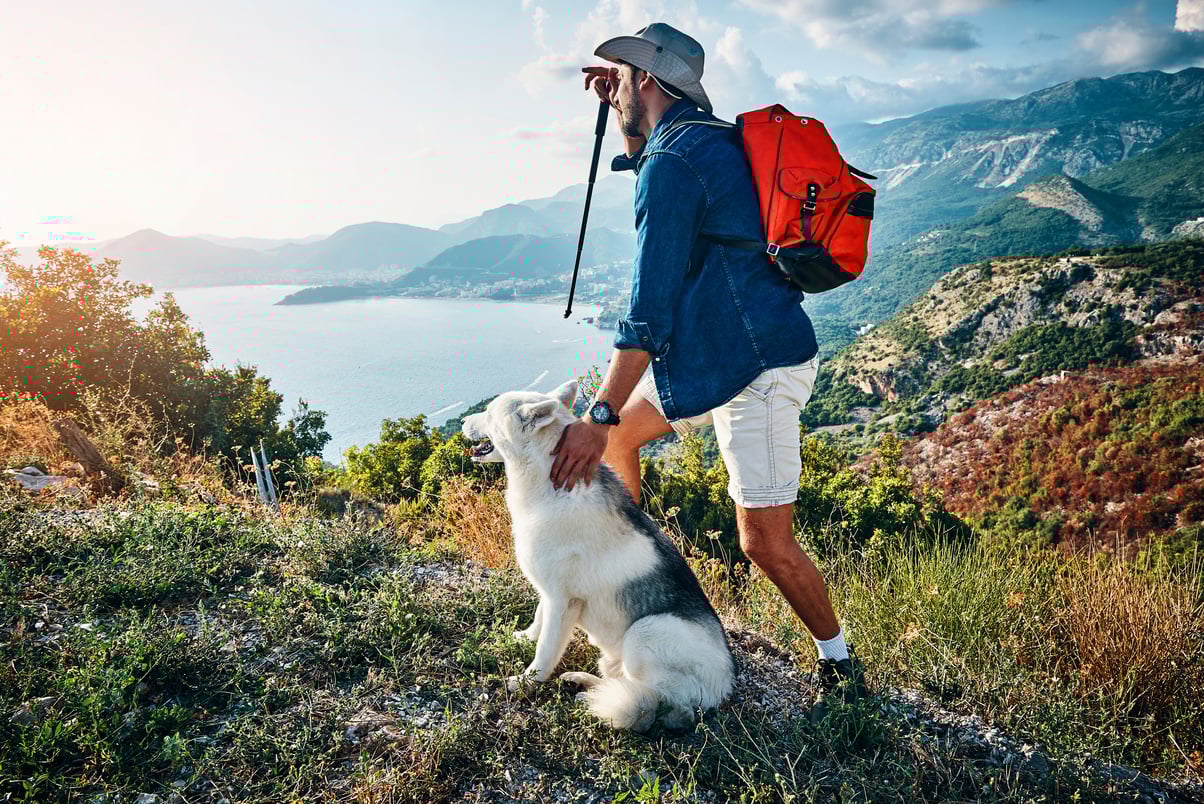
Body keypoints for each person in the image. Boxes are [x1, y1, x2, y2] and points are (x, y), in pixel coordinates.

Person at [549, 22, 867, 715]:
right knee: (629, 441)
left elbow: (649, 308)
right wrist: (623, 121)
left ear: (650, 81)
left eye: (625, 79)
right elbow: (663, 178)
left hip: (758, 364)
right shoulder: (706, 141)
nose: (617, 88)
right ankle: (633, 592)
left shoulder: (675, 163)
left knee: (766, 543)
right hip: (711, 353)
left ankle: (842, 665)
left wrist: (597, 416)